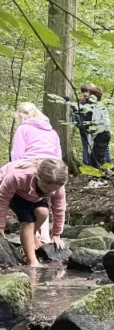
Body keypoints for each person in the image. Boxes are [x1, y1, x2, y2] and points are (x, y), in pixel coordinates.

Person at [0, 158, 68, 267]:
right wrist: (1, 226)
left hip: (35, 195)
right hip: (14, 191)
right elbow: (2, 199)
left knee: (43, 212)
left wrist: (56, 234)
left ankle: (30, 237)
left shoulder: (57, 186)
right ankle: (32, 260)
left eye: (52, 190)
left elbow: (59, 209)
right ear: (38, 177)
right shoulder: (18, 176)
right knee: (28, 221)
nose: (50, 191)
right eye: (46, 188)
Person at [11, 102, 62, 244]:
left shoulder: (23, 128)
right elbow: (58, 154)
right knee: (44, 198)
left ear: (21, 116)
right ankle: (44, 235)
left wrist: (17, 169)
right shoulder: (51, 131)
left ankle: (32, 233)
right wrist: (58, 171)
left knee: (30, 199)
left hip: (30, 167)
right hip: (51, 168)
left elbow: (17, 152)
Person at [84, 86, 112, 167]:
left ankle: (101, 173)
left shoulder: (97, 107)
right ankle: (97, 172)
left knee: (99, 159)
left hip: (101, 134)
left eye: (90, 94)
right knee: (94, 158)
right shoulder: (100, 105)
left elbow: (95, 122)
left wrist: (89, 129)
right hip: (103, 134)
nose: (88, 96)